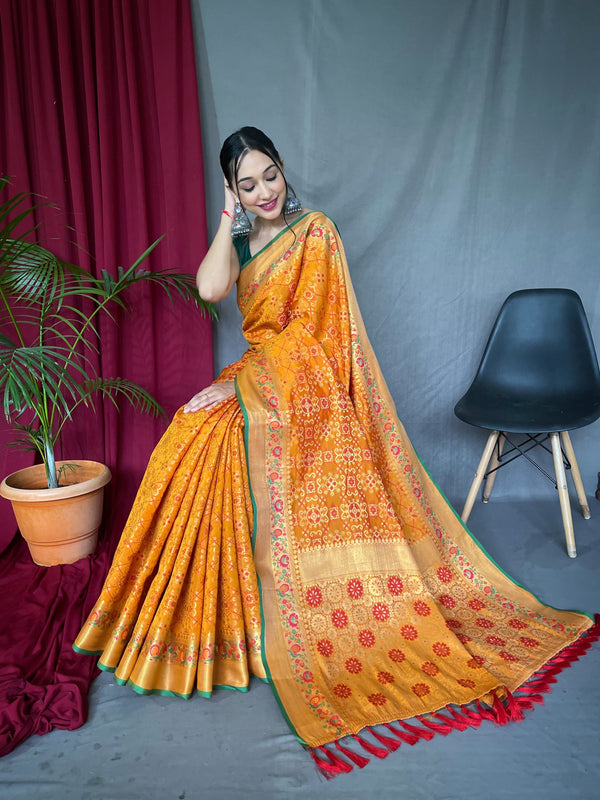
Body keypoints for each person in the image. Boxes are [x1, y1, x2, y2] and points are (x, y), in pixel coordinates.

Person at [75, 127, 596, 774]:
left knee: (216, 425)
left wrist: (248, 391)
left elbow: (319, 335)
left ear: (283, 170)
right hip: (262, 375)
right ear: (232, 190)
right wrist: (225, 222)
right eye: (247, 184)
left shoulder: (315, 232)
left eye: (269, 176)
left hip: (307, 378)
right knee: (190, 436)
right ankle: (225, 621)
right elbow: (210, 288)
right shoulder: (241, 237)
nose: (263, 192)